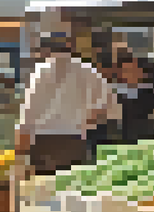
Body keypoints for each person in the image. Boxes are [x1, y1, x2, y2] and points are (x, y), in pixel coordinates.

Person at [15, 35, 117, 177]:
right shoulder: (88, 71)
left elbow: (29, 113)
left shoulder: (40, 71)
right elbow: (110, 108)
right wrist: (86, 122)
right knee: (73, 189)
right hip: (73, 141)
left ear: (47, 50)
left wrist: (20, 148)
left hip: (42, 143)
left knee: (43, 192)